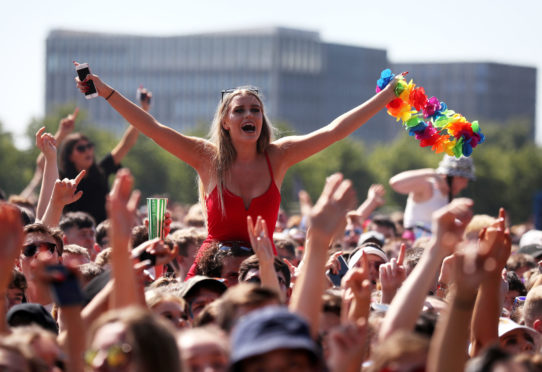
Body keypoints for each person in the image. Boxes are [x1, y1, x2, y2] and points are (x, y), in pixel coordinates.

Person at [75, 66, 401, 258]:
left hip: (265, 268)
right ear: (226, 123)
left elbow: (335, 130)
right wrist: (105, 91)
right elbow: (154, 129)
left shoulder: (280, 154)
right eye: (240, 110)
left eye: (255, 110)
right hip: (213, 269)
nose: (249, 115)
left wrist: (386, 97)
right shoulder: (206, 157)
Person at [58, 89, 151, 224]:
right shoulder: (63, 179)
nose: (87, 151)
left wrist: (143, 110)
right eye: (81, 148)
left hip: (103, 235)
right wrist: (61, 134)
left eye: (89, 146)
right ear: (70, 156)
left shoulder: (101, 169)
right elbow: (43, 163)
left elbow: (126, 144)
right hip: (75, 237)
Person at [389, 154, 475, 238]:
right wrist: (431, 173)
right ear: (452, 176)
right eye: (463, 179)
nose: (465, 185)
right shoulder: (428, 186)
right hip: (415, 245)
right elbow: (395, 183)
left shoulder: (449, 197)